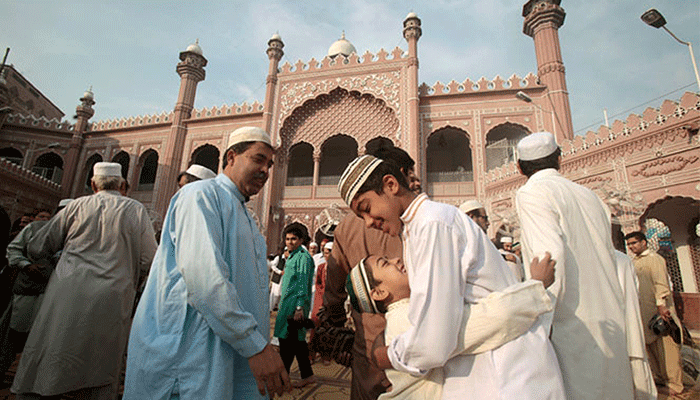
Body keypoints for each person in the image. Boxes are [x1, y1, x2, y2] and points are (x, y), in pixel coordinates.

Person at [337, 154, 565, 399]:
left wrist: (388, 355)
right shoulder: (417, 228)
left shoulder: (433, 225)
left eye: (366, 209)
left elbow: (434, 340)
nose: (369, 222)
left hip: (506, 374)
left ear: (391, 185)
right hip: (488, 372)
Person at [124, 126, 290, 399]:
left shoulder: (247, 218)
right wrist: (255, 346)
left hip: (229, 350)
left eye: (270, 164)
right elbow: (206, 280)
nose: (265, 170)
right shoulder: (201, 195)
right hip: (189, 349)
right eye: (258, 159)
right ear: (231, 157)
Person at [11, 162, 157, 400]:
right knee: (100, 364)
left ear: (92, 184)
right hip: (112, 294)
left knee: (55, 349)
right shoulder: (135, 209)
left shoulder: (76, 206)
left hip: (67, 290)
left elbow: (38, 246)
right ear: (122, 185)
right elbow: (150, 258)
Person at [515, 131, 634, 399]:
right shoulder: (589, 195)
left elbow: (549, 256)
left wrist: (542, 322)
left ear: (519, 167)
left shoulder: (532, 193)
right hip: (610, 314)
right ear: (559, 159)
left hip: (572, 321)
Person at [348, 254, 557, 400]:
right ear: (378, 293)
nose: (397, 260)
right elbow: (484, 321)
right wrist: (536, 287)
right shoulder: (408, 317)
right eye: (385, 263)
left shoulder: (410, 311)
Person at [321, 145, 416, 400]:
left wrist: (337, 327)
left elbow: (334, 289)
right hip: (413, 338)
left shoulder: (347, 226)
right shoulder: (414, 221)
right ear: (395, 178)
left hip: (368, 342)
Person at [625, 231, 684, 397]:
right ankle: (660, 379)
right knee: (652, 348)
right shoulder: (634, 262)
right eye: (629, 244)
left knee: (667, 348)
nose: (632, 247)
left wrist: (661, 305)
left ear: (644, 242)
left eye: (634, 243)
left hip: (660, 312)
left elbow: (661, 282)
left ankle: (675, 384)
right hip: (644, 312)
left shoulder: (654, 259)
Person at [274, 223, 316, 388]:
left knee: (287, 342)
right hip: (287, 304)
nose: (290, 242)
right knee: (297, 342)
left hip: (295, 306)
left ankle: (282, 379)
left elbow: (302, 283)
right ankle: (307, 375)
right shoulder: (291, 256)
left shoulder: (303, 258)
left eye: (294, 239)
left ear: (301, 240)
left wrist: (299, 307)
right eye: (287, 239)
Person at [614, 248, 657, 400]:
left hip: (614, 323)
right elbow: (637, 290)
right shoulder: (624, 259)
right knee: (637, 361)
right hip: (630, 316)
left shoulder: (596, 258)